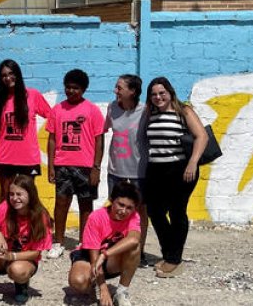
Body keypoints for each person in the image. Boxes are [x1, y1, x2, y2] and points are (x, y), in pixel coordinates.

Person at [143, 76, 206, 278]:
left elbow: (202, 136)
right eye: (154, 94)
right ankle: (169, 253)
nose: (158, 97)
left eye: (162, 93)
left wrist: (192, 163)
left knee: (177, 212)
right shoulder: (151, 113)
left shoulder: (183, 111)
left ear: (170, 93)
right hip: (155, 170)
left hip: (180, 169)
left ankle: (174, 259)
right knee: (155, 211)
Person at [45, 68, 105, 258]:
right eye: (68, 87)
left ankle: (85, 243)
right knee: (61, 203)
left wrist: (96, 167)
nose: (71, 91)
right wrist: (52, 166)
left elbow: (99, 140)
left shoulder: (92, 110)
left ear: (84, 89)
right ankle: (58, 242)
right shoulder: (57, 110)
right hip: (63, 165)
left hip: (86, 167)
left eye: (76, 88)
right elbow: (52, 139)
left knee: (86, 205)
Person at [0, 174, 53, 304]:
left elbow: (36, 252)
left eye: (19, 194)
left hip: (23, 259)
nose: (14, 198)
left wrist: (11, 256)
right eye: (11, 194)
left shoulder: (41, 216)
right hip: (1, 257)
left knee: (17, 271)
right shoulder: (5, 207)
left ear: (30, 194)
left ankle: (21, 284)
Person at [67, 181, 142, 306]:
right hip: (89, 256)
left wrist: (105, 255)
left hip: (109, 257)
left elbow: (134, 239)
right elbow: (94, 259)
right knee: (78, 282)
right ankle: (94, 285)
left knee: (135, 247)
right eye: (121, 205)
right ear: (112, 200)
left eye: (129, 208)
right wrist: (103, 288)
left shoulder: (134, 216)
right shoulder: (96, 217)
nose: (124, 211)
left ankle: (122, 292)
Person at [0, 60, 52, 200]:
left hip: (28, 157)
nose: (8, 78)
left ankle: (33, 223)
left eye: (11, 73)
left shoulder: (32, 95)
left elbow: (52, 115)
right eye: (3, 75)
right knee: (5, 197)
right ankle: (6, 223)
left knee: (27, 197)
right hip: (5, 156)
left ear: (18, 74)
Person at [103, 74, 148, 260]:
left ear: (133, 91)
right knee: (115, 210)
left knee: (140, 212)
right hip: (115, 171)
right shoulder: (112, 108)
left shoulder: (145, 111)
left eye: (119, 88)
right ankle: (116, 247)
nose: (115, 91)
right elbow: (103, 131)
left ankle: (138, 250)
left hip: (139, 172)